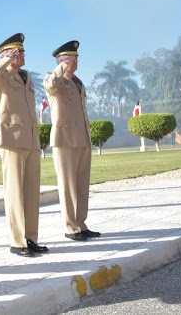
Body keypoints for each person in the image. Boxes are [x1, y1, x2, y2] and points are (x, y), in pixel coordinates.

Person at [0, 33, 48, 257]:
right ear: (6, 55)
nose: (21, 55)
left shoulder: (26, 77)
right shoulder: (1, 77)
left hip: (30, 141)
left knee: (31, 192)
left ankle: (30, 238)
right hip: (11, 140)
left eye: (22, 52)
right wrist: (5, 60)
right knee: (15, 192)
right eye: (16, 52)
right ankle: (17, 241)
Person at [43, 40, 100, 242]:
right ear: (61, 61)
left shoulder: (78, 82)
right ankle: (70, 227)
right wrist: (61, 68)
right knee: (67, 185)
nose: (75, 61)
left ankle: (81, 223)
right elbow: (50, 86)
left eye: (76, 58)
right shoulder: (53, 79)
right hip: (64, 139)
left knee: (82, 184)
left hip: (82, 137)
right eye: (70, 58)